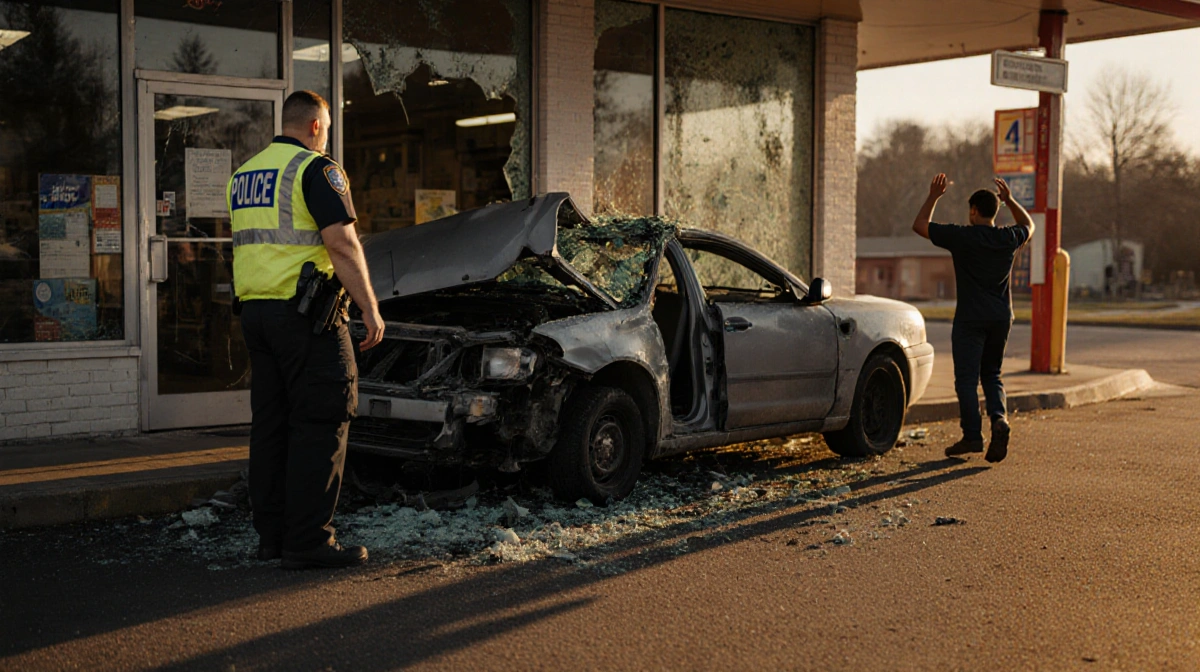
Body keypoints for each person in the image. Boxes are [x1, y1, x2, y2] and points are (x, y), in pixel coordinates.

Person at [227, 90, 385, 569]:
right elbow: (341, 242)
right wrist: (370, 309)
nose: (327, 137)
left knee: (271, 427)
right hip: (305, 318)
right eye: (329, 128)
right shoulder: (316, 169)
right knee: (322, 420)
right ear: (317, 126)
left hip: (257, 315)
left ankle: (271, 539)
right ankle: (308, 541)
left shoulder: (245, 174)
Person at [912, 174, 1034, 463]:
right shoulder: (1007, 238)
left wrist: (934, 196)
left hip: (970, 319)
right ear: (995, 211)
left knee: (966, 380)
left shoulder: (962, 236)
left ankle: (972, 436)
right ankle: (999, 419)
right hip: (1001, 318)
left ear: (974, 211)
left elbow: (919, 226)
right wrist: (1011, 201)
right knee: (991, 374)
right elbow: (1029, 225)